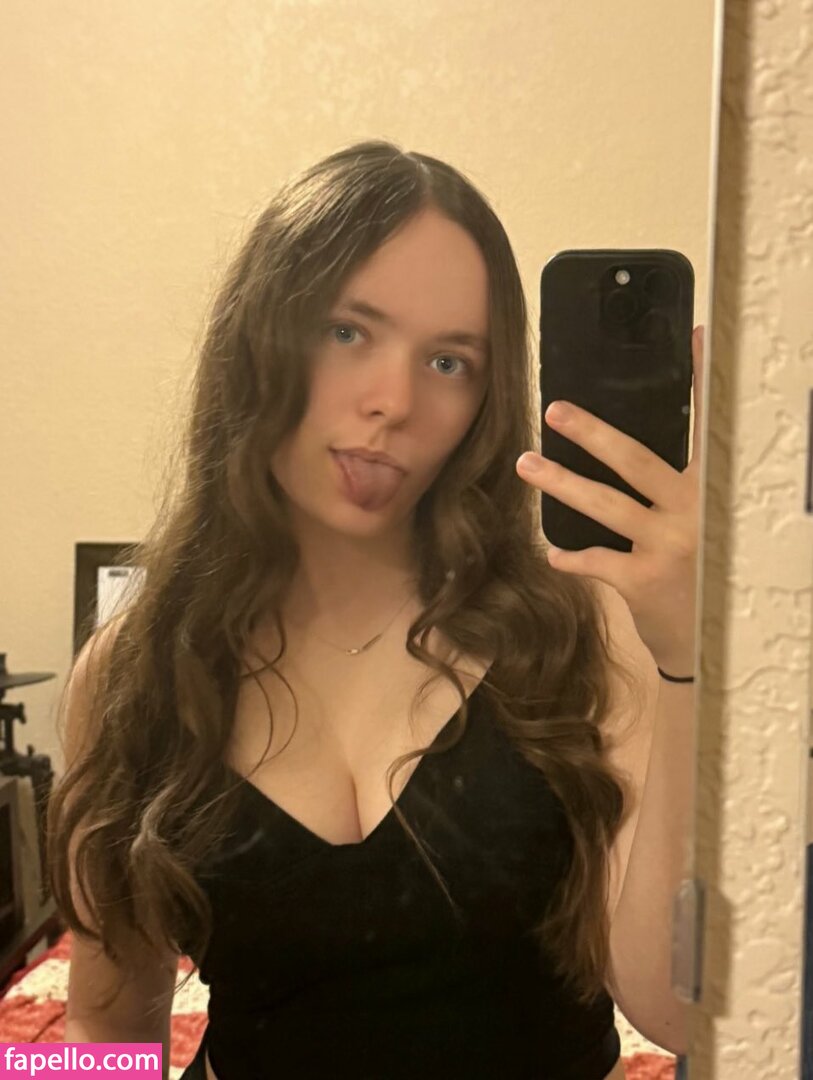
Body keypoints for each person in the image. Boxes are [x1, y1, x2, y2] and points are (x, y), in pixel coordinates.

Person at [47, 140, 702, 1080]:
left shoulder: (588, 632)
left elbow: (673, 1014)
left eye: (448, 360)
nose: (394, 401)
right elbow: (103, 1032)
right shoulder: (134, 668)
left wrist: (688, 656)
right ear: (257, 339)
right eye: (348, 332)